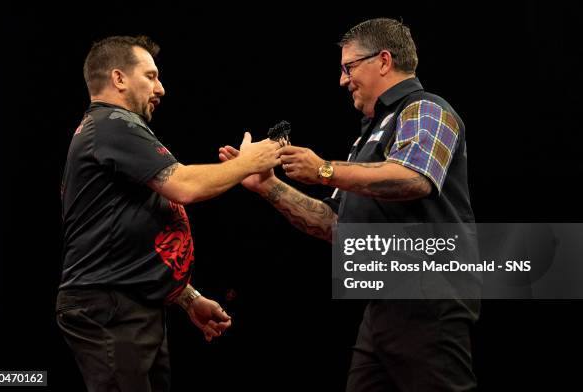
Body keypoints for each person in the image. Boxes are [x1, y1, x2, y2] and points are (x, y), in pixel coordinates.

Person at [219, 18, 479, 391]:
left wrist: (323, 169)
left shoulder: (426, 109)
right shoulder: (368, 137)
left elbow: (414, 179)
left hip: (428, 300)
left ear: (384, 60)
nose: (342, 80)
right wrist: (268, 187)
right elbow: (334, 224)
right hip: (382, 307)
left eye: (348, 67)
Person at [58, 35, 281, 392]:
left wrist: (187, 296)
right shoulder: (112, 123)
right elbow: (185, 185)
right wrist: (250, 163)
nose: (161, 88)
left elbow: (132, 239)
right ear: (118, 78)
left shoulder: (112, 131)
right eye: (151, 76)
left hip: (128, 305)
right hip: (110, 308)